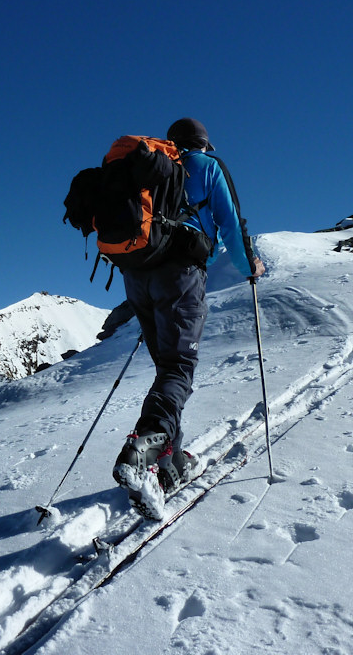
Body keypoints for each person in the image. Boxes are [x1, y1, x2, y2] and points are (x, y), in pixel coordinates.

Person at [112, 117, 265, 516]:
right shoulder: (206, 167)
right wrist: (251, 266)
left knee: (167, 369)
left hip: (136, 275)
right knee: (178, 367)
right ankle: (146, 444)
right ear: (204, 143)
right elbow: (230, 223)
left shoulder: (147, 168)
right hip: (180, 274)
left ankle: (170, 462)